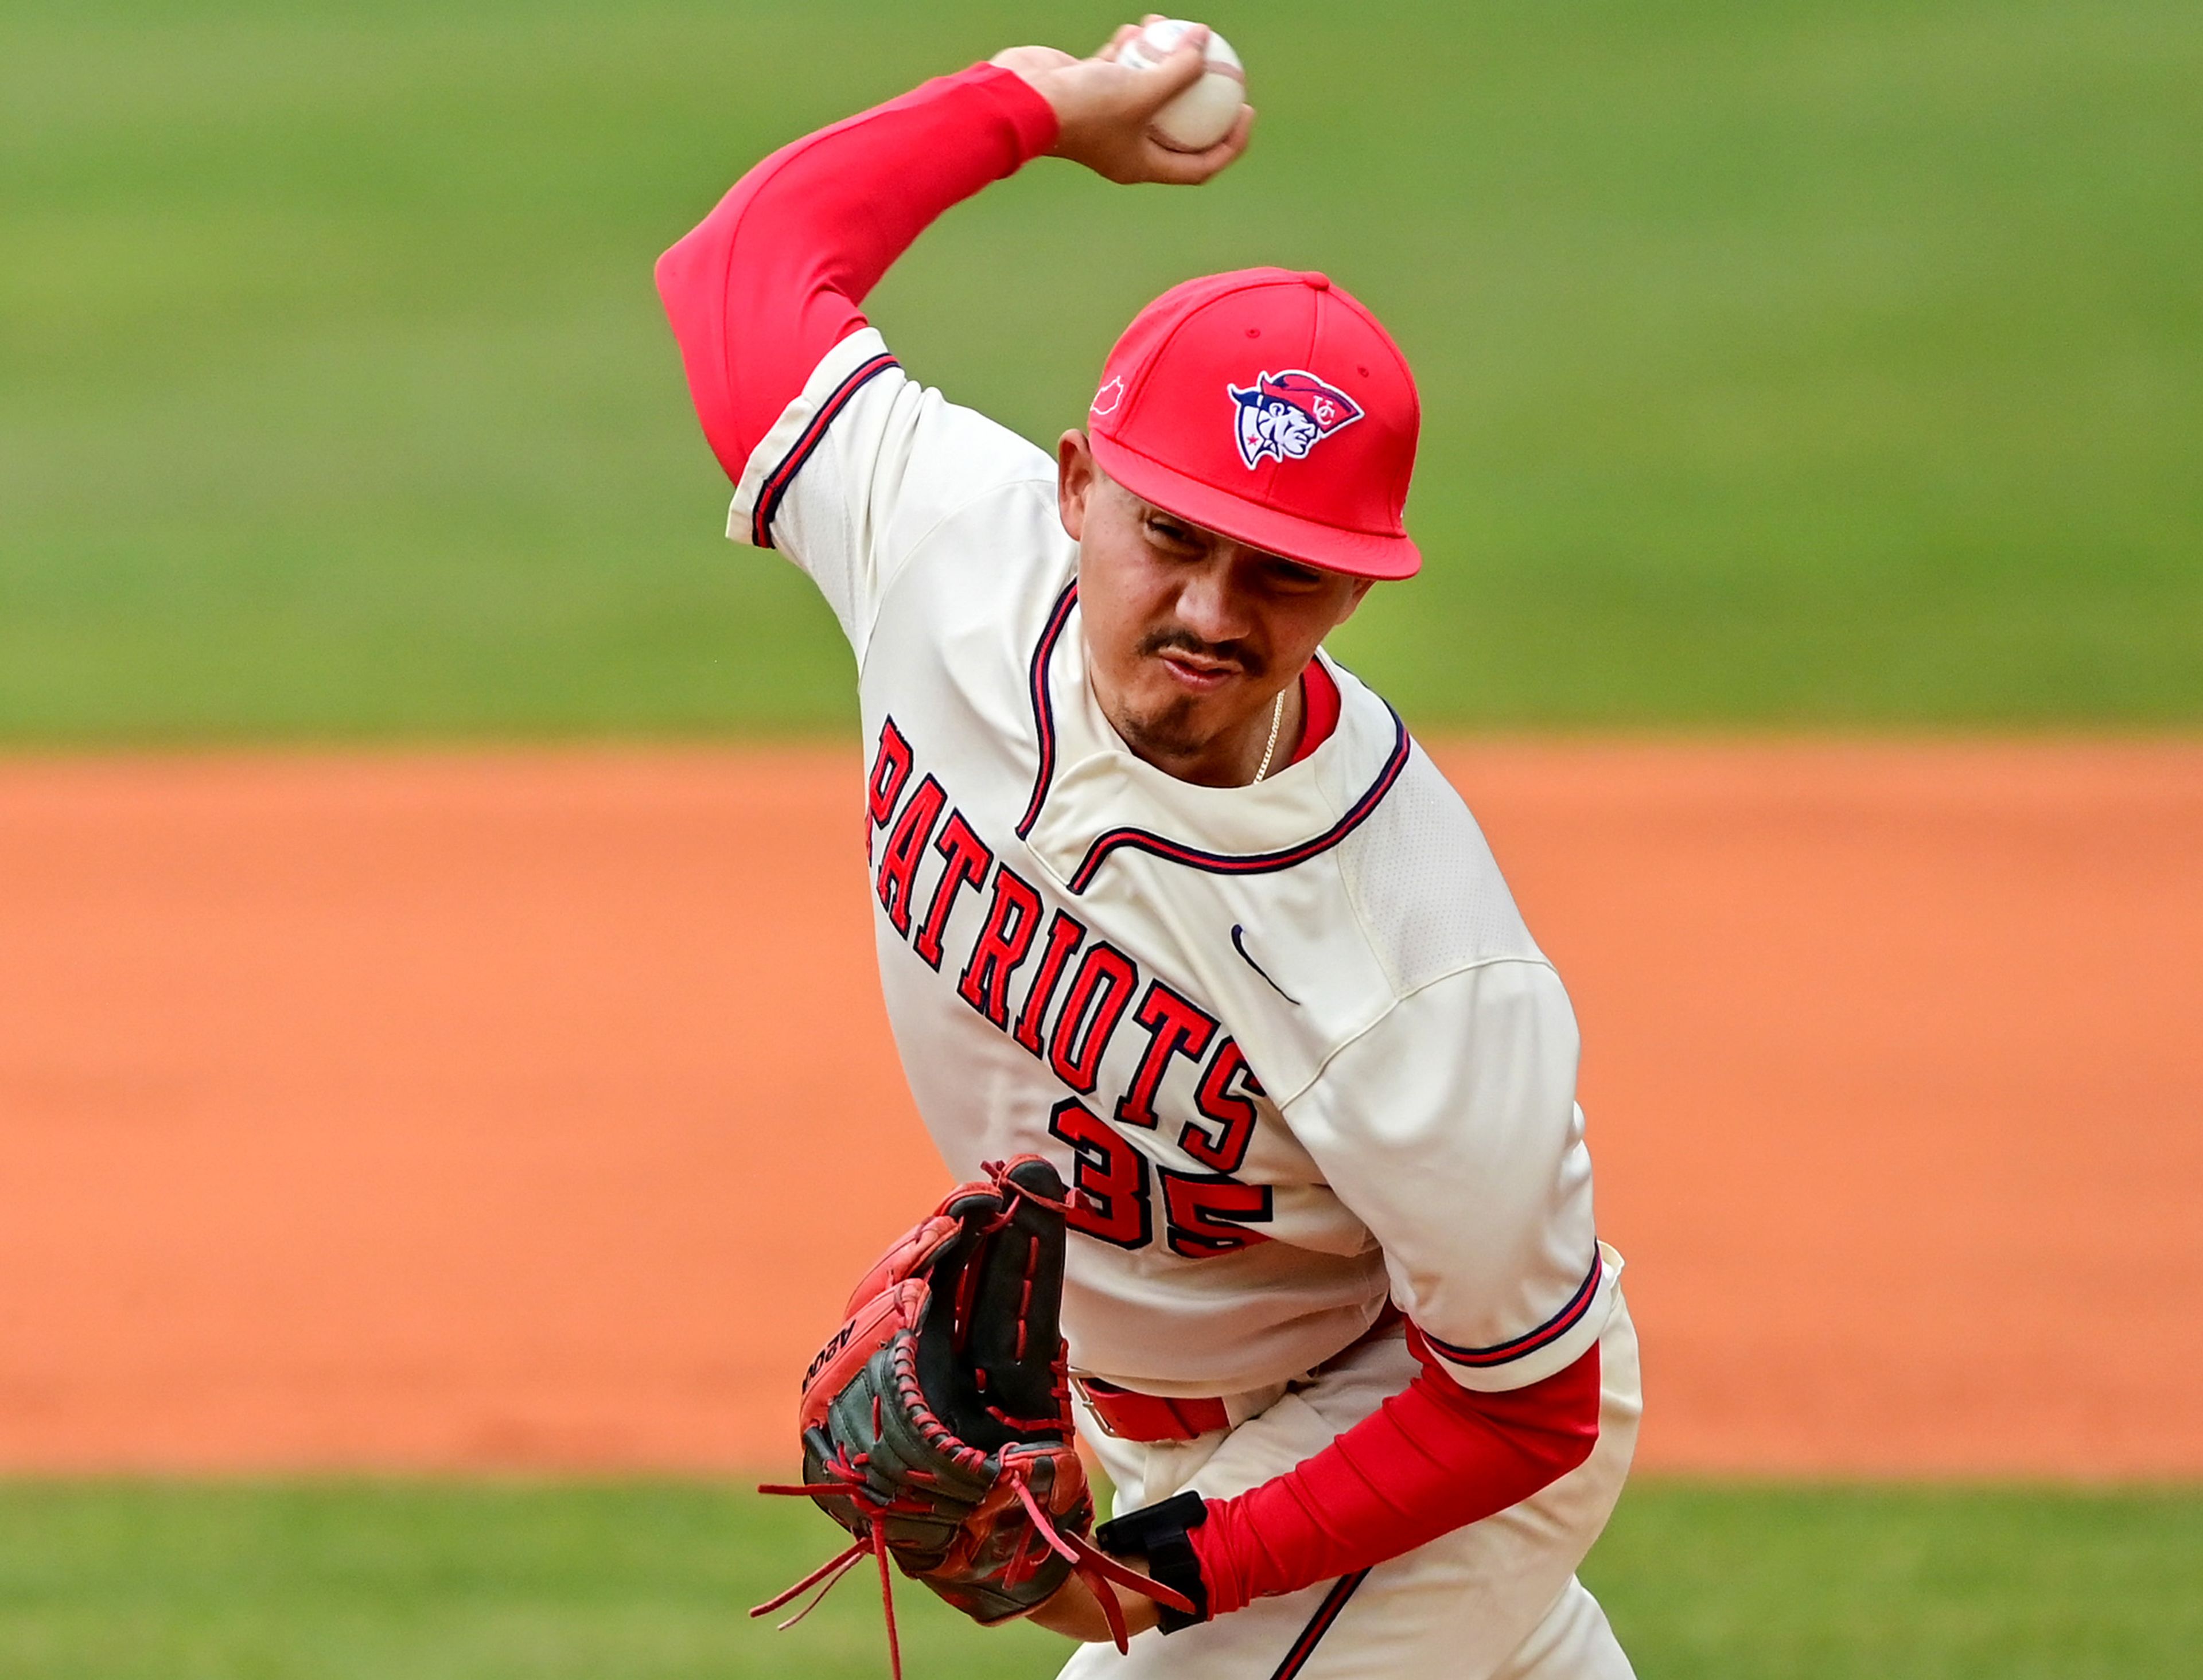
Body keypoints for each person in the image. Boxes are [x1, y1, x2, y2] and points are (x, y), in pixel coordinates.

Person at [656, 21, 1641, 1679]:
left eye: (1281, 570)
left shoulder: (1414, 957)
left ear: (1355, 591)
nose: (1207, 610)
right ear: (1074, 485)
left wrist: (1145, 1579)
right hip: (1162, 1417)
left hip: (1401, 1429)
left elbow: (1520, 1401)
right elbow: (737, 268)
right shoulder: (946, 546)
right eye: (1171, 532)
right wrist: (1036, 106)